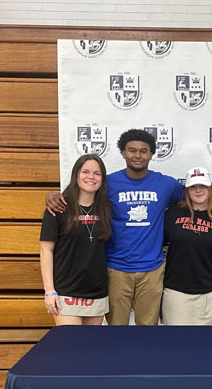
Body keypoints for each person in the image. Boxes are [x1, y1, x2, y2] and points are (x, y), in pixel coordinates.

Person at [46, 129, 184, 325]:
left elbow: (198, 197)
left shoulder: (166, 184)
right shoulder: (107, 183)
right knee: (115, 331)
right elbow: (77, 194)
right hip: (116, 269)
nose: (138, 155)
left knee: (148, 330)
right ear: (123, 153)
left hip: (151, 270)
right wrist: (51, 195)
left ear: (152, 154)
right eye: (132, 150)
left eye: (144, 151)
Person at [40, 154, 112, 325]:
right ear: (76, 175)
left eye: (97, 173)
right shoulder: (57, 208)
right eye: (85, 172)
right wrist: (49, 291)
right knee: (70, 348)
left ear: (102, 179)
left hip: (96, 292)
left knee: (90, 349)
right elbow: (46, 250)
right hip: (66, 291)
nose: (91, 177)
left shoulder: (107, 209)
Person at [162, 167, 212, 325]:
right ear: (187, 190)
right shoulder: (172, 214)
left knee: (208, 346)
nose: (198, 190)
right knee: (176, 345)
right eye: (193, 186)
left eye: (203, 186)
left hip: (211, 292)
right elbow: (155, 243)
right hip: (176, 292)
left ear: (210, 188)